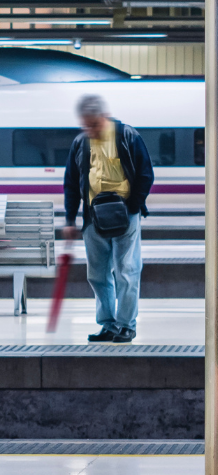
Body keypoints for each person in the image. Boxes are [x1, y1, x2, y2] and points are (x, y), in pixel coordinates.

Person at [63, 94, 153, 343]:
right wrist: (70, 220)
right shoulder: (81, 143)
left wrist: (132, 207)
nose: (89, 130)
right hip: (93, 218)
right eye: (85, 125)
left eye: (93, 124)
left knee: (127, 271)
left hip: (125, 214)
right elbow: (71, 184)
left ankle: (126, 325)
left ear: (104, 117)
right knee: (98, 275)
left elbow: (146, 174)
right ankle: (109, 324)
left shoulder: (127, 136)